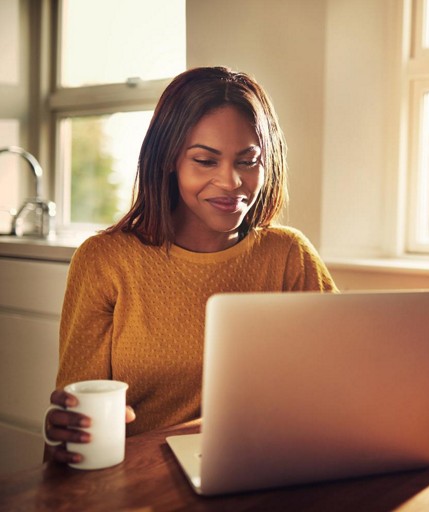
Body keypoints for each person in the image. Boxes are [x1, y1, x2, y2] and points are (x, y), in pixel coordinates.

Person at [44, 66, 337, 465]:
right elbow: (73, 423)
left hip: (261, 468)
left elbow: (342, 383)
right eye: (205, 160)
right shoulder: (105, 260)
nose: (231, 182)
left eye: (248, 161)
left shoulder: (289, 256)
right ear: (168, 160)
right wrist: (67, 433)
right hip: (138, 483)